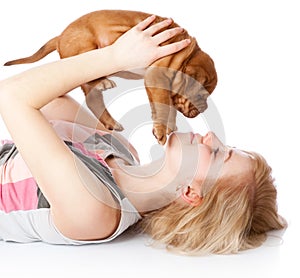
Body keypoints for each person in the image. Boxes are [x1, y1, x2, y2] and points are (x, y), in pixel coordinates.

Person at [0, 15, 286, 256]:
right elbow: (50, 100)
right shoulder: (121, 150)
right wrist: (123, 56)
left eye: (216, 153)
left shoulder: (95, 210)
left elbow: (11, 97)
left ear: (190, 193)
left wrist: (114, 57)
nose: (210, 134)